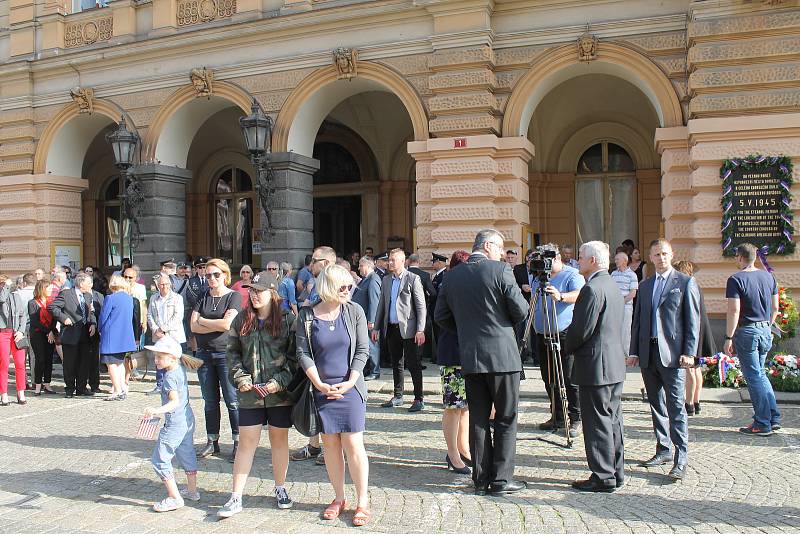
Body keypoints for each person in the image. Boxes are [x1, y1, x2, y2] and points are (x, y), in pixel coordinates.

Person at [434, 229, 529, 495]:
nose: (502, 253)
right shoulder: (500, 271)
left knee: (477, 418)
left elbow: (440, 316)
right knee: (506, 417)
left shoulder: (452, 276)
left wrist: (466, 330)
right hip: (503, 357)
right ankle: (501, 480)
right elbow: (521, 311)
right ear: (487, 245)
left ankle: (480, 478)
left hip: (471, 356)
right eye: (500, 248)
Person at [296, 264, 371, 527]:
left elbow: (363, 349)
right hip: (321, 388)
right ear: (328, 287)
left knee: (353, 444)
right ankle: (339, 498)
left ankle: (362, 501)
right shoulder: (307, 315)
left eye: (350, 286)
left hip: (350, 388)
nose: (348, 291)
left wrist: (351, 382)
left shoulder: (354, 311)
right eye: (343, 286)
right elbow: (302, 352)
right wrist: (318, 383)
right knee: (329, 445)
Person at [218, 271, 298, 518]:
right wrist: (241, 379)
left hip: (279, 394)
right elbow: (231, 354)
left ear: (272, 293)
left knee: (279, 442)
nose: (253, 295)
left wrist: (279, 382)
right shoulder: (241, 319)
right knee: (246, 444)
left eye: (258, 291)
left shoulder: (287, 320)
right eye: (251, 290)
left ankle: (281, 487)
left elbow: (295, 359)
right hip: (250, 395)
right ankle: (236, 496)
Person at [629, 238, 699, 481]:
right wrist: (634, 351)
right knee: (656, 404)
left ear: (672, 255)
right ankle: (663, 448)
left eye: (665, 254)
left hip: (673, 356)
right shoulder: (646, 285)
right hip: (649, 354)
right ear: (651, 256)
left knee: (676, 406)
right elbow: (638, 321)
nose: (661, 258)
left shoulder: (685, 282)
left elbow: (692, 321)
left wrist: (689, 352)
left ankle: (681, 456)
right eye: (657, 254)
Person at [562, 241, 626, 492]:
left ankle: (603, 476)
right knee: (613, 421)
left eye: (580, 257)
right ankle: (616, 472)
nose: (578, 260)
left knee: (597, 422)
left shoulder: (592, 288)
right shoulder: (610, 284)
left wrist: (567, 345)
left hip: (595, 365)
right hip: (612, 364)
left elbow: (581, 330)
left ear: (593, 260)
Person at [722, 243, 781, 436]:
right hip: (765, 329)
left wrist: (728, 337)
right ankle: (773, 418)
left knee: (754, 377)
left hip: (747, 332)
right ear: (754, 257)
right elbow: (775, 308)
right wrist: (767, 325)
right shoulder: (769, 276)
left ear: (739, 257)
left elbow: (734, 310)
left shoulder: (735, 279)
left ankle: (762, 423)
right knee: (761, 375)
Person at [530, 244, 585, 436]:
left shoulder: (572, 274)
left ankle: (576, 418)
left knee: (568, 377)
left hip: (563, 333)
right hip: (542, 333)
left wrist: (560, 296)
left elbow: (580, 294)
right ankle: (558, 416)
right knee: (549, 378)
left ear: (556, 258)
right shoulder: (538, 276)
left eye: (546, 258)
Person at [191, 258, 242, 460]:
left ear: (225, 275)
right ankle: (213, 441)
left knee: (232, 401)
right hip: (204, 354)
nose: (211, 278)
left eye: (216, 274)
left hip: (225, 354)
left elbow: (227, 325)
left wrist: (203, 320)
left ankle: (238, 441)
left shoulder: (234, 296)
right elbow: (192, 327)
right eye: (208, 274)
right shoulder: (203, 296)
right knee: (209, 401)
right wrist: (213, 323)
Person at [143, 336, 202, 513]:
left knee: (159, 459)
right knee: (186, 452)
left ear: (172, 358)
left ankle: (175, 498)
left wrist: (156, 410)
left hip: (175, 423)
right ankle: (192, 491)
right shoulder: (179, 368)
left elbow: (173, 402)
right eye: (155, 357)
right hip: (186, 419)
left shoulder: (169, 376)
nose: (156, 360)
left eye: (159, 357)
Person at [290, 245, 337, 464]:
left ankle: (333, 448)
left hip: (331, 351)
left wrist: (310, 304)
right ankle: (314, 445)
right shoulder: (316, 281)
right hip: (312, 347)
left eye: (315, 261)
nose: (310, 265)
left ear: (326, 263)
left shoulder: (336, 281)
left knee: (330, 400)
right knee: (312, 398)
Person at [372, 248, 427, 411]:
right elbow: (381, 305)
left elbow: (421, 306)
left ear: (403, 261)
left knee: (414, 363)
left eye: (393, 260)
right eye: (389, 259)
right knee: (396, 363)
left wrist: (420, 329)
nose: (390, 262)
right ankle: (398, 395)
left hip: (409, 329)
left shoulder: (413, 278)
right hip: (391, 328)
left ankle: (419, 398)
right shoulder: (387, 280)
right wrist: (376, 327)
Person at [437, 250, 472, 475]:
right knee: (453, 407)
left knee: (465, 407)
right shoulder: (449, 285)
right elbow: (440, 317)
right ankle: (452, 454)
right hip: (452, 353)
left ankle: (463, 448)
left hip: (466, 353)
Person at [674, 261, 715, 416]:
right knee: (697, 368)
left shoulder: (686, 286)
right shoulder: (696, 285)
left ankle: (689, 403)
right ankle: (697, 402)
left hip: (693, 331)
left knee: (690, 368)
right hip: (701, 329)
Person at [49, 272, 97, 398]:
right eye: (89, 282)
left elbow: (91, 312)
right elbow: (53, 308)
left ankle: (81, 387)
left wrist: (93, 323)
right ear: (81, 283)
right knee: (70, 363)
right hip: (70, 333)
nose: (91, 285)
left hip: (85, 333)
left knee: (84, 362)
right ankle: (69, 388)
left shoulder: (87, 296)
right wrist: (64, 318)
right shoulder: (66, 294)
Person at [98, 275, 137, 400]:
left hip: (111, 336)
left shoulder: (110, 298)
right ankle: (122, 388)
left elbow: (104, 317)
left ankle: (117, 391)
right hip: (124, 336)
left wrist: (98, 329)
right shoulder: (129, 299)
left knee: (111, 364)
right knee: (119, 364)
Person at [147, 274, 186, 395]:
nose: (164, 287)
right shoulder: (154, 298)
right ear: (158, 286)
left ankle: (178, 384)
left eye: (166, 284)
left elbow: (178, 316)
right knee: (160, 360)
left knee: (175, 361)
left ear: (170, 285)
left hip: (173, 335)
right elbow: (149, 315)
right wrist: (155, 329)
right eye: (161, 285)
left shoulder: (177, 298)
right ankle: (160, 385)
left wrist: (163, 329)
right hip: (158, 335)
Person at [0, 274, 28, 405]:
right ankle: (4, 394)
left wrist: (21, 331)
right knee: (4, 364)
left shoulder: (16, 296)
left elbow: (23, 315)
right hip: (3, 333)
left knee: (20, 363)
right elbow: (2, 298)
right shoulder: (2, 296)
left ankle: (20, 392)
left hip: (16, 333)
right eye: (4, 284)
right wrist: (5, 286)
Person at [352, 256, 382, 380]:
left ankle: (375, 371)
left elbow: (374, 300)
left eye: (361, 265)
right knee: (366, 344)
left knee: (372, 344)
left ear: (368, 266)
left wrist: (372, 320)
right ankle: (368, 369)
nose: (359, 268)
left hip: (368, 319)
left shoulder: (373, 279)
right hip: (362, 318)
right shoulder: (366, 279)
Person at [29, 280, 57, 395]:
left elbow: (55, 318)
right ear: (42, 289)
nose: (51, 291)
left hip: (49, 334)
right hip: (37, 334)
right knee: (40, 359)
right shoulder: (33, 302)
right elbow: (34, 321)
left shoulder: (52, 303)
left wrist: (51, 331)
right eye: (49, 288)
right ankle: (37, 385)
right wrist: (48, 331)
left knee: (49, 359)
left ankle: (47, 384)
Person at [611, 250, 638, 360]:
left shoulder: (632, 275)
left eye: (617, 259)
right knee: (614, 330)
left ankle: (626, 356)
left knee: (625, 331)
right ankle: (615, 355)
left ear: (624, 261)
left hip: (626, 306)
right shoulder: (613, 273)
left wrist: (620, 303)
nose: (615, 261)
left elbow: (633, 293)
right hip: (614, 306)